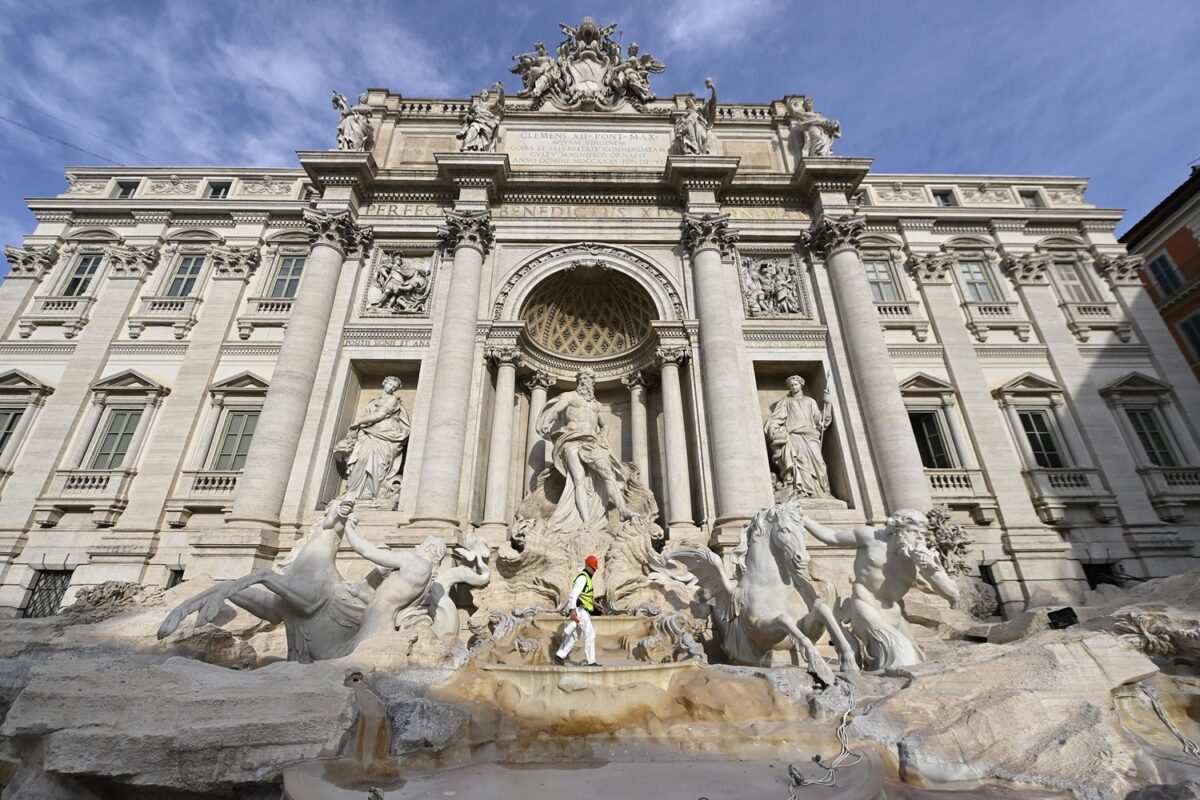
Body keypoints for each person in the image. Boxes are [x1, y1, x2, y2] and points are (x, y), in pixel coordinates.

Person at [800, 510, 959, 670]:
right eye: (914, 532)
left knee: (914, 663)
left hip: (896, 613)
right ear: (896, 530)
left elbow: (953, 594)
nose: (919, 538)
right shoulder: (871, 537)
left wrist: (930, 568)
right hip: (866, 606)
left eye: (922, 534)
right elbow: (832, 537)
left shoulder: (918, 557)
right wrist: (802, 517)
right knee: (902, 658)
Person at [553, 555, 602, 667]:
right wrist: (572, 610)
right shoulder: (583, 578)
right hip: (580, 611)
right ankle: (591, 661)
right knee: (591, 634)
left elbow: (584, 595)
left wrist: (594, 604)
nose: (594, 570)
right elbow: (573, 595)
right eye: (593, 568)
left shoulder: (587, 578)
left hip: (582, 610)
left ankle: (559, 656)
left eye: (595, 568)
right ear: (588, 566)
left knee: (574, 636)